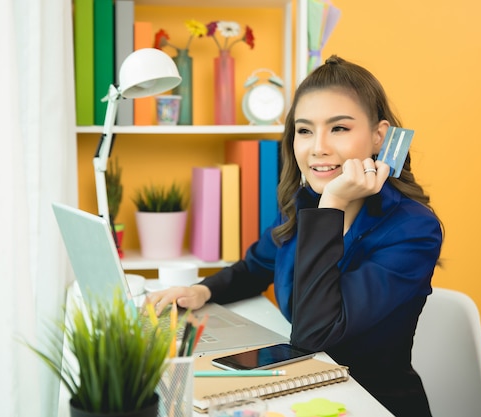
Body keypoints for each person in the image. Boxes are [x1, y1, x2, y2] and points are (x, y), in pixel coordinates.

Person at [147, 55, 443, 417]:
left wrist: (332, 204)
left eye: (339, 128)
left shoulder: (412, 229)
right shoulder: (301, 205)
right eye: (304, 130)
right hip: (299, 393)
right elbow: (254, 268)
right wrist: (202, 290)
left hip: (368, 403)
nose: (317, 147)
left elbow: (314, 334)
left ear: (379, 136)